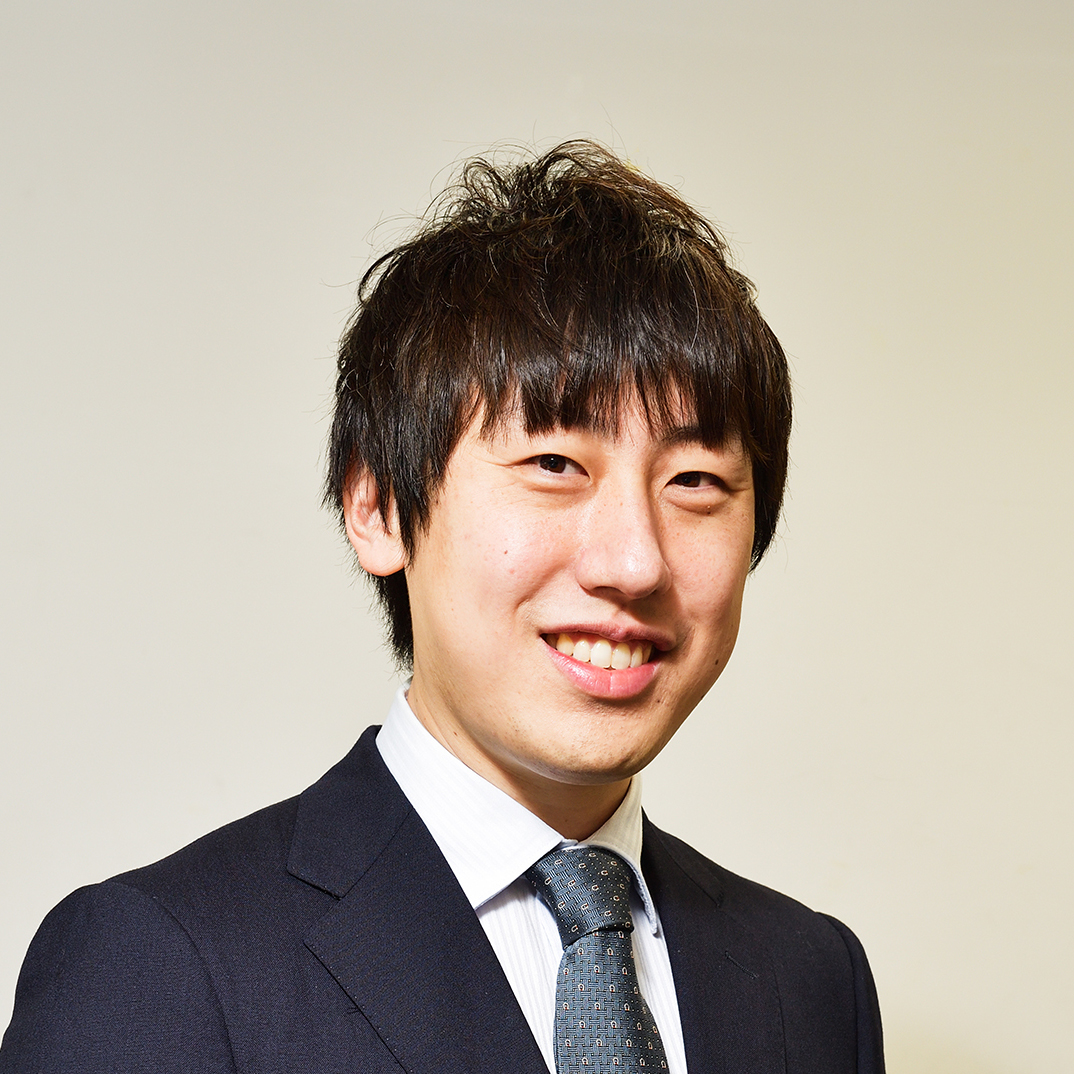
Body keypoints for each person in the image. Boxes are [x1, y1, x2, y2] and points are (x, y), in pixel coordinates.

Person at [0, 142, 884, 1073]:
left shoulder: (811, 979)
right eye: (554, 464)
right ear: (378, 508)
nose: (634, 562)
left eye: (696, 481)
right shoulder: (158, 965)